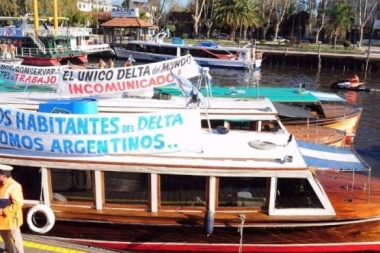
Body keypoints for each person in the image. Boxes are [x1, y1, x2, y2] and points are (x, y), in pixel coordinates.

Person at [0, 164, 24, 253]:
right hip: (2, 219)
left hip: (12, 218)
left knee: (16, 238)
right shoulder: (1, 184)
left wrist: (3, 211)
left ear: (3, 175)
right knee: (6, 239)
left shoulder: (14, 186)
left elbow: (18, 203)